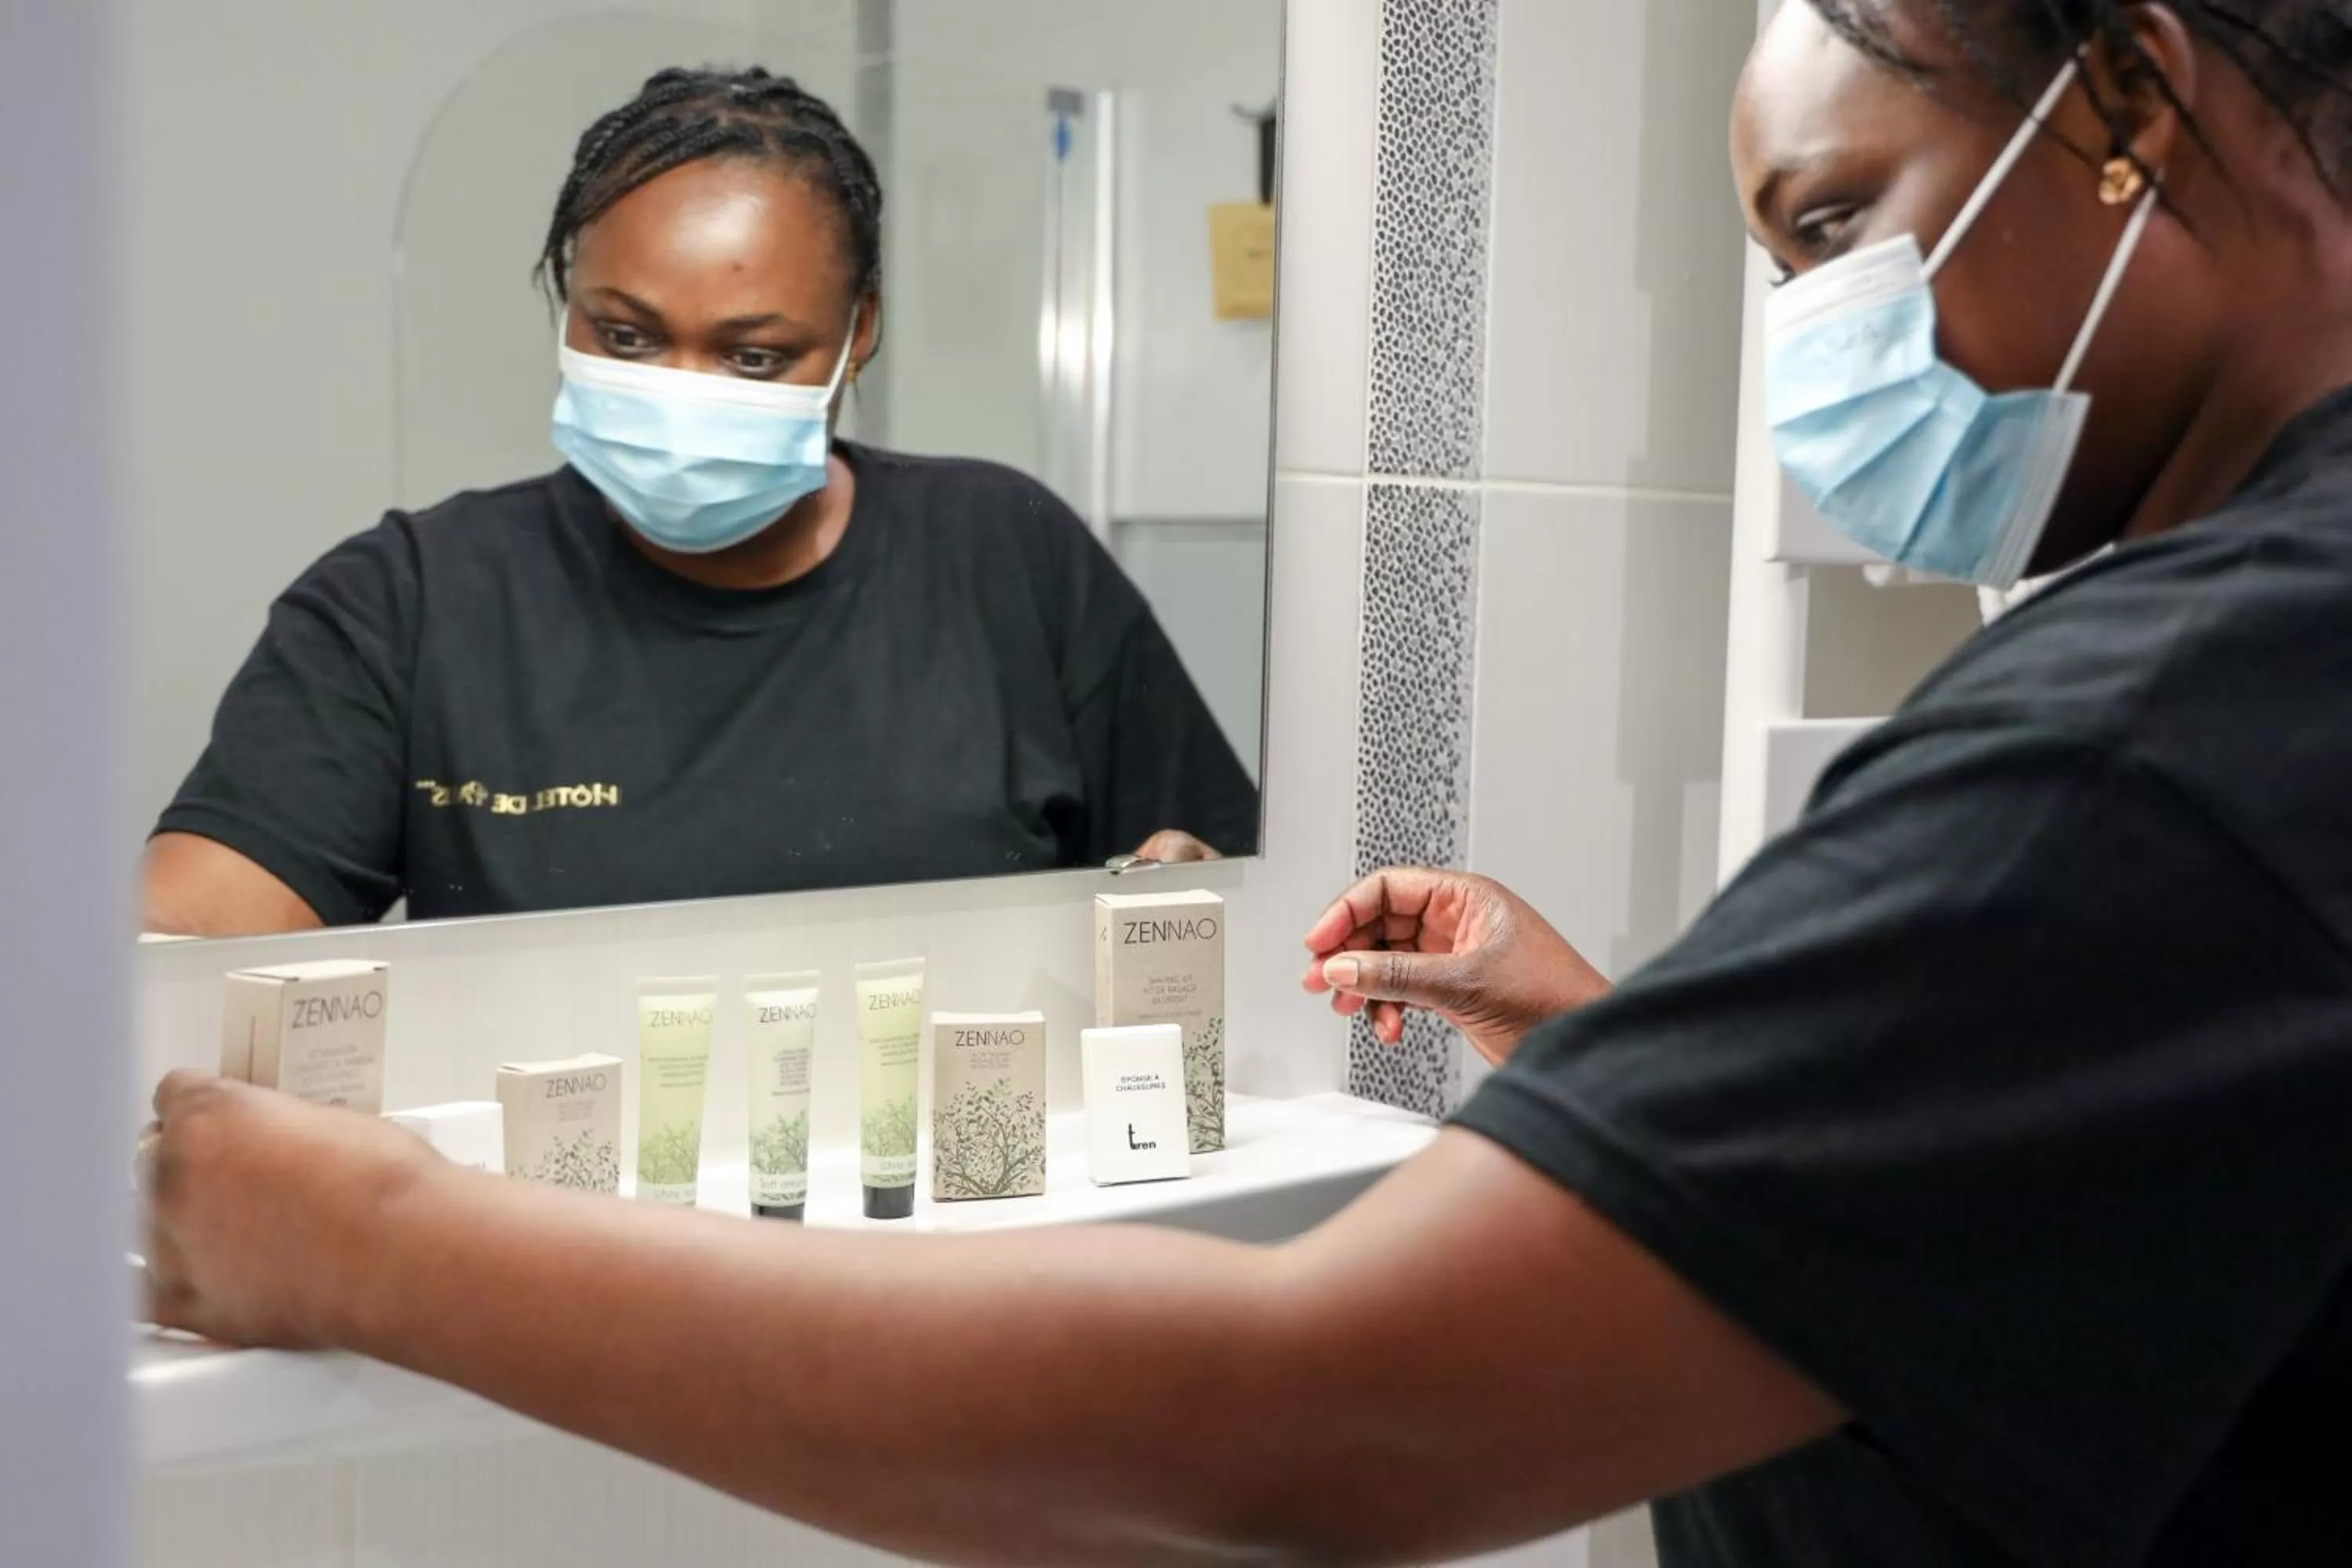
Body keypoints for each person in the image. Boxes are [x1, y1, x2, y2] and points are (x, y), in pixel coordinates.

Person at [140, 3, 2352, 1563]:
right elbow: (2112, 1170)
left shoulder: (2163, 722)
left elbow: (1326, 1417)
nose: (1805, 342)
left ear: (2128, 105)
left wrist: (375, 1247)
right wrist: (1635, 1063)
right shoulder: (414, 597)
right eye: (623, 335)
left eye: (1835, 225)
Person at [142, 67, 1258, 938]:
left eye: (755, 357)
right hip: (558, 1219)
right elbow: (192, 935)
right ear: (564, 304)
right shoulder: (412, 601)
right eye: (624, 337)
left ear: (858, 333)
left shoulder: (1005, 558)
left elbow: (1225, 892)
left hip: (950, 1209)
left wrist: (1194, 921)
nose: (678, 395)